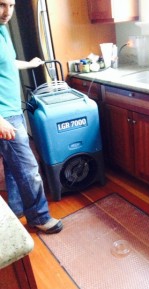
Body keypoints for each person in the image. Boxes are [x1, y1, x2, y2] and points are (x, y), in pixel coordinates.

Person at [0, 0, 63, 233]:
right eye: (1, 5)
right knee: (28, 169)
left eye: (12, 5)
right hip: (4, 115)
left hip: (12, 110)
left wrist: (30, 63)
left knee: (13, 165)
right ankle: (39, 216)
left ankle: (16, 209)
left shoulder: (2, 29)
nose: (8, 12)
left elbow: (4, 63)